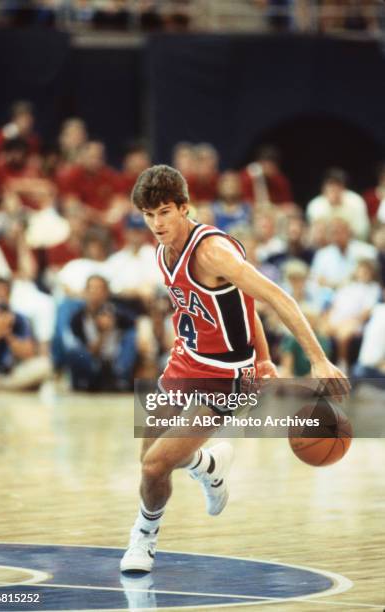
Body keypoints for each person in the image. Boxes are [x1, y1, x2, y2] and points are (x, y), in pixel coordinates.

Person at [120, 165, 349, 573]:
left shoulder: (212, 252)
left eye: (165, 213)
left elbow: (275, 297)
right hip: (185, 361)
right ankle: (208, 466)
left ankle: (143, 536)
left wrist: (316, 358)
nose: (156, 223)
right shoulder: (161, 249)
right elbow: (239, 309)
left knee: (156, 465)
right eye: (149, 214)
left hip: (228, 376)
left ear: (185, 208)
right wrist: (262, 352)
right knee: (148, 458)